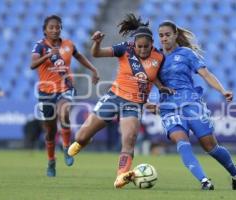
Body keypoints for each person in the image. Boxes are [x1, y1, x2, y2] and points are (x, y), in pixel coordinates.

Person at [68, 14, 171, 188]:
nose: (143, 50)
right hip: (114, 97)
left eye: (147, 47)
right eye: (140, 46)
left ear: (152, 44)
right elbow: (97, 53)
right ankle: (85, 139)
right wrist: (97, 42)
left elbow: (153, 77)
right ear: (134, 43)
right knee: (80, 136)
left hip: (135, 103)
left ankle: (121, 176)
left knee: (129, 139)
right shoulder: (125, 48)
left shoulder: (159, 57)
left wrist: (161, 88)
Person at [153, 21, 236, 190]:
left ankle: (234, 172)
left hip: (191, 103)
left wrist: (223, 91)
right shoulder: (155, 57)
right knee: (181, 141)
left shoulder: (186, 54)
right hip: (169, 107)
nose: (164, 38)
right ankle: (204, 181)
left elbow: (205, 74)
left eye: (167, 35)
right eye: (161, 35)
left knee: (209, 146)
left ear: (175, 35)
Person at [31, 15, 100, 177]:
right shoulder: (40, 46)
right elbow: (32, 65)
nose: (55, 30)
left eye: (57, 27)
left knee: (65, 112)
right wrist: (48, 55)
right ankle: (51, 161)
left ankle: (67, 147)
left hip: (65, 87)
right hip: (46, 91)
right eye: (51, 27)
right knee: (49, 130)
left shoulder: (68, 44)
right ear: (45, 30)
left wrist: (93, 70)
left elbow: (79, 56)